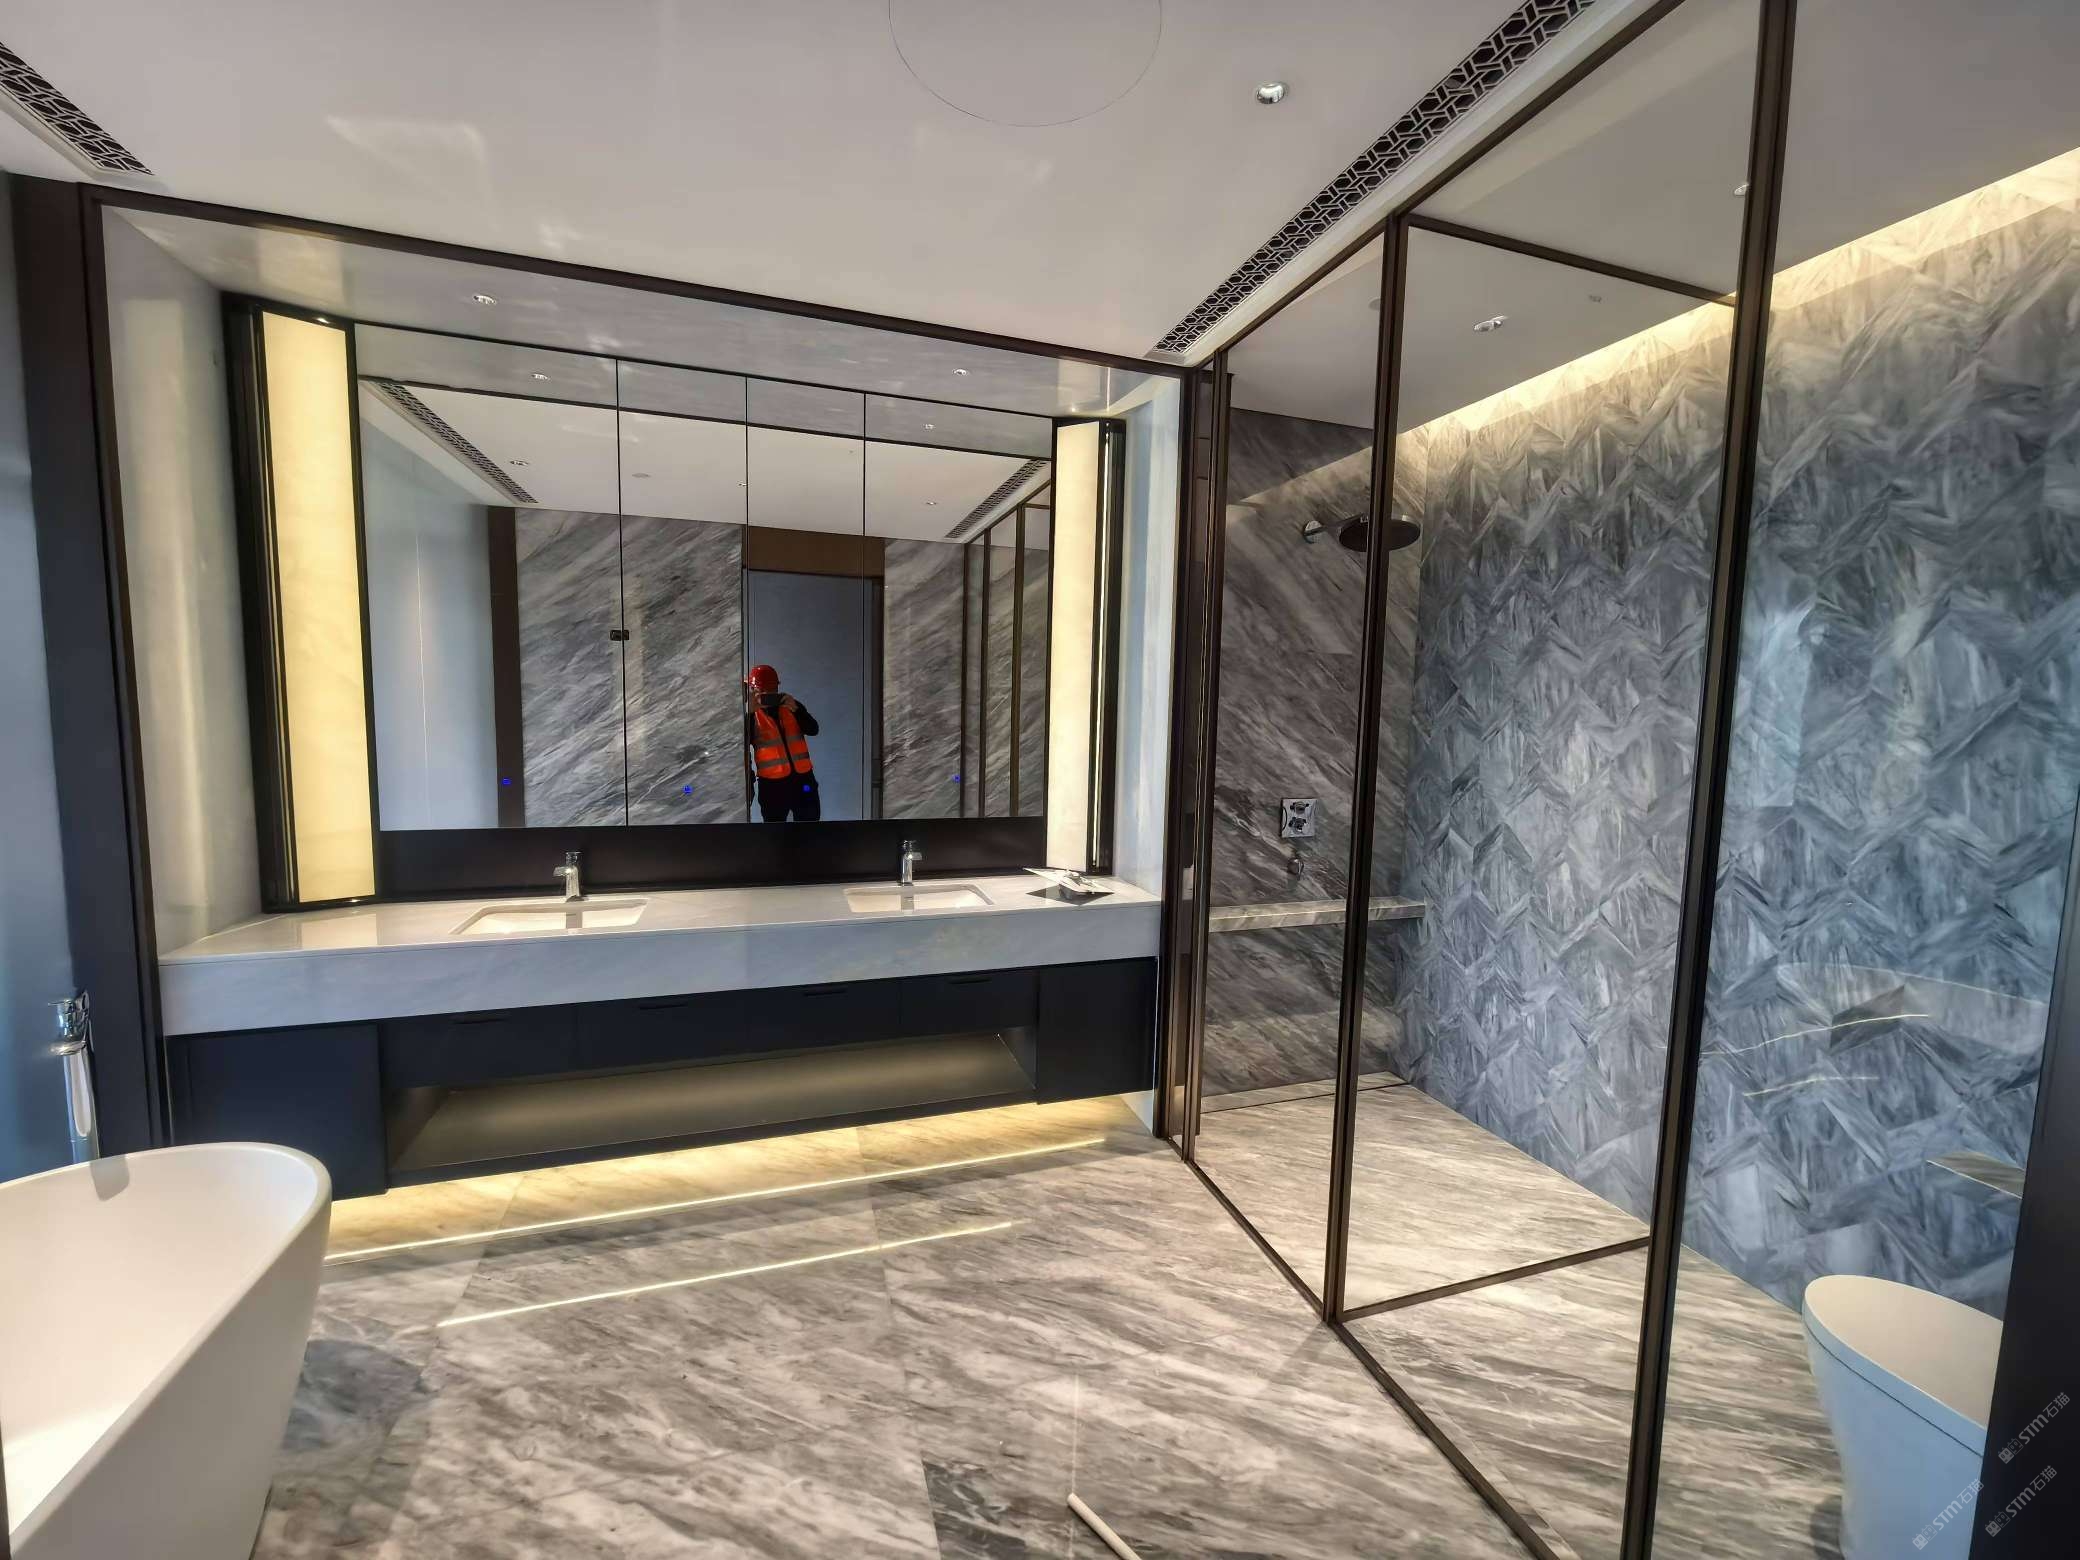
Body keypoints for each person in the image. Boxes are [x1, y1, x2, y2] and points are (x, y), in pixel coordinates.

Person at [744, 664, 821, 822]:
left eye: (772, 690)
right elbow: (741, 745)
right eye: (762, 691)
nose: (768, 695)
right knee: (775, 832)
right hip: (772, 786)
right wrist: (749, 713)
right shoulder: (752, 715)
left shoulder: (791, 706)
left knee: (810, 829)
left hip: (803, 780)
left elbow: (813, 729)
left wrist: (797, 710)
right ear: (752, 690)